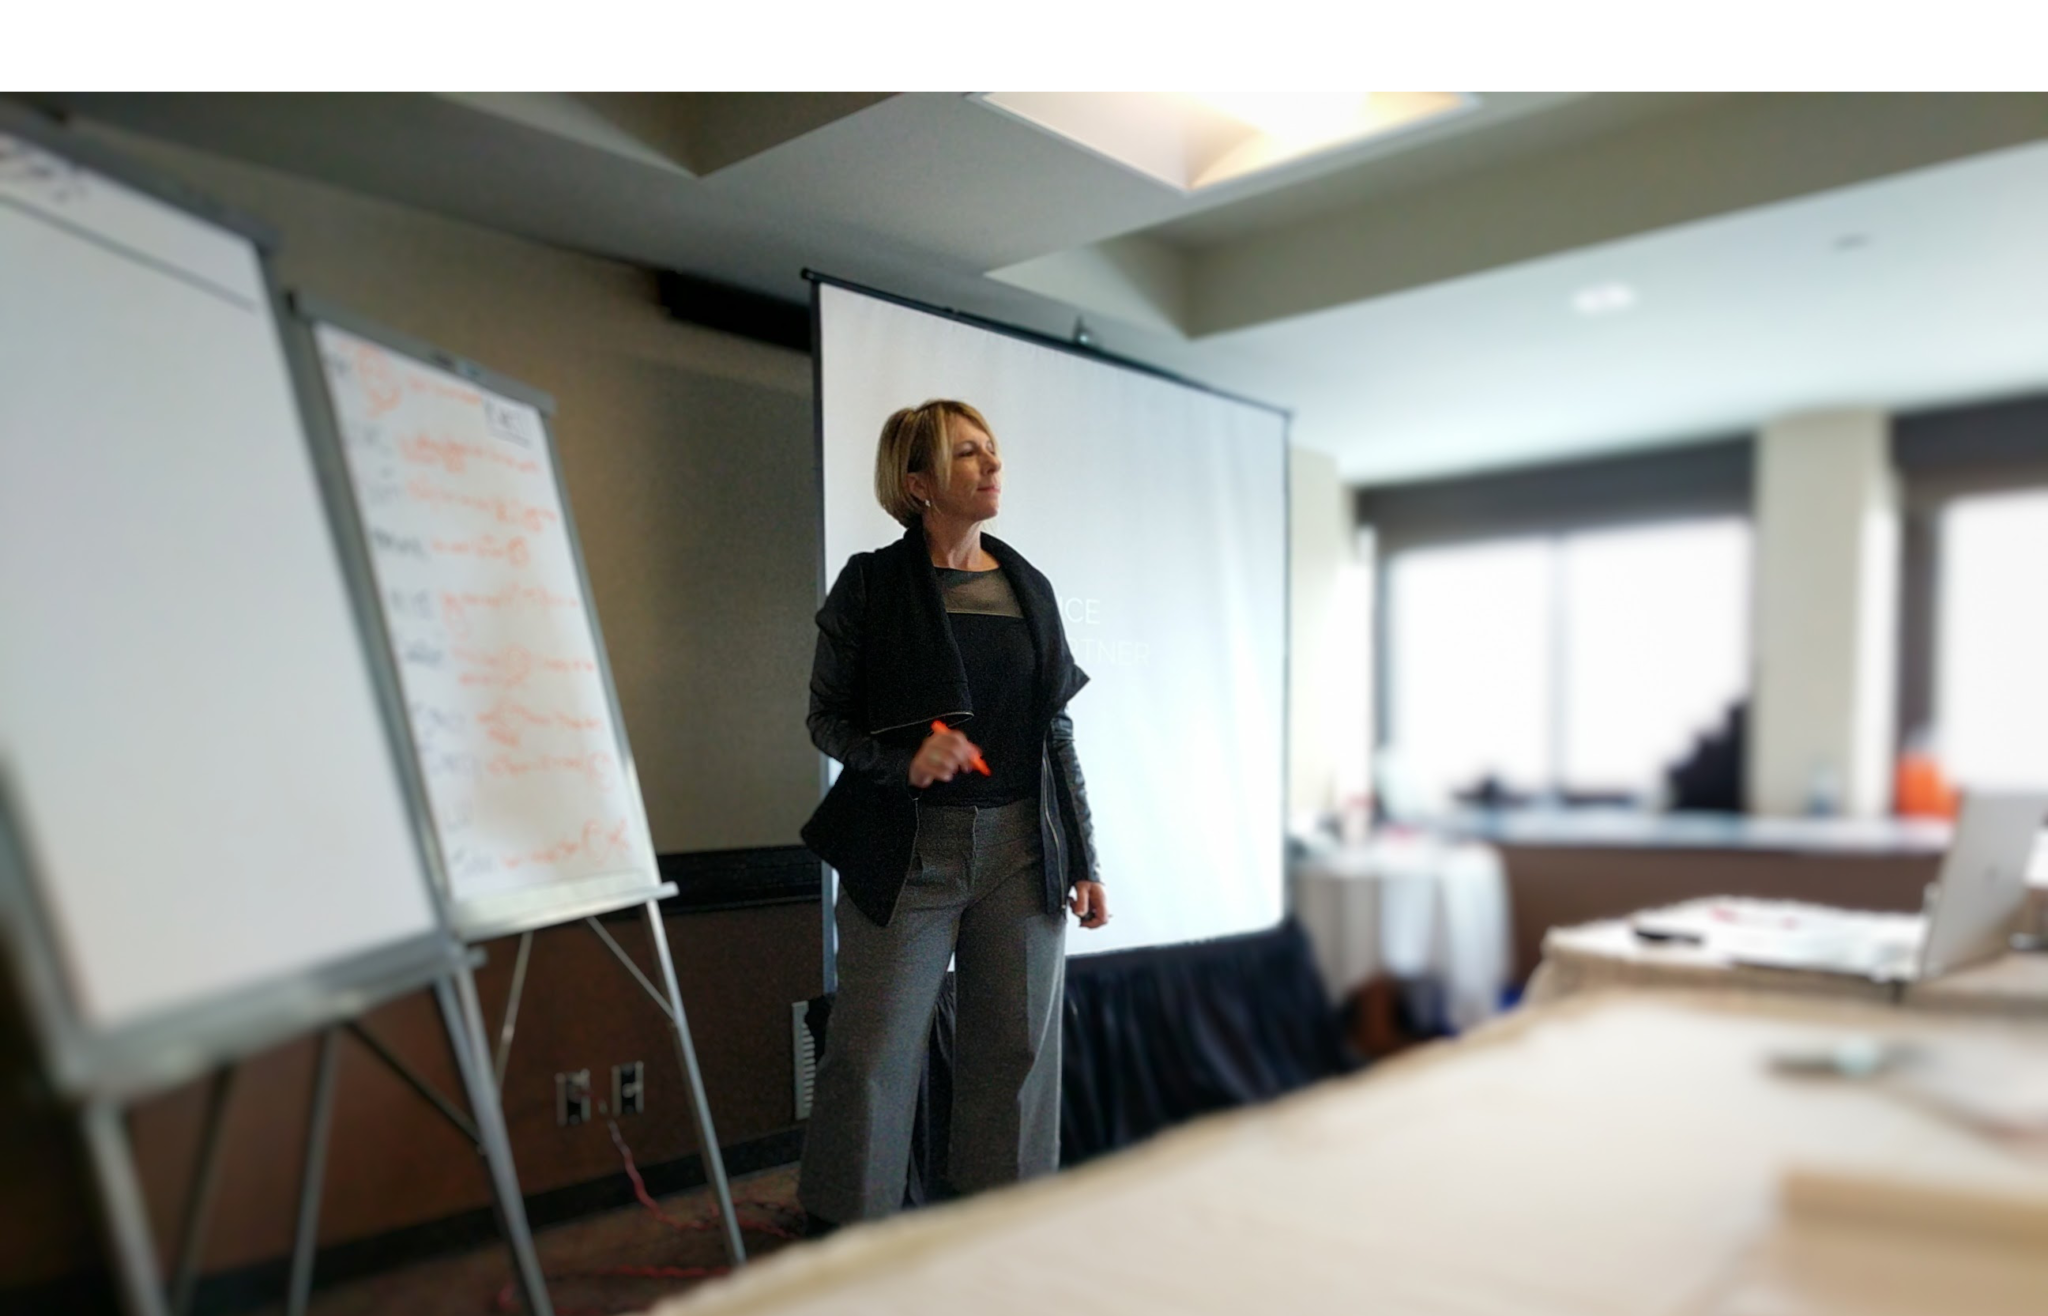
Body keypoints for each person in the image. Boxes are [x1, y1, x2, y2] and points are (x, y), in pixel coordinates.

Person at [797, 398, 1109, 1231]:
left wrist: (1085, 858)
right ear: (918, 484)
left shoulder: (1028, 586)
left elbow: (1054, 733)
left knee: (1016, 1052)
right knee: (872, 1055)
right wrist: (905, 760)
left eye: (991, 449)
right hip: (908, 850)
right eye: (968, 453)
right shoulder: (871, 584)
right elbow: (826, 719)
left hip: (1022, 848)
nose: (992, 464)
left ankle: (996, 1236)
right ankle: (846, 1239)